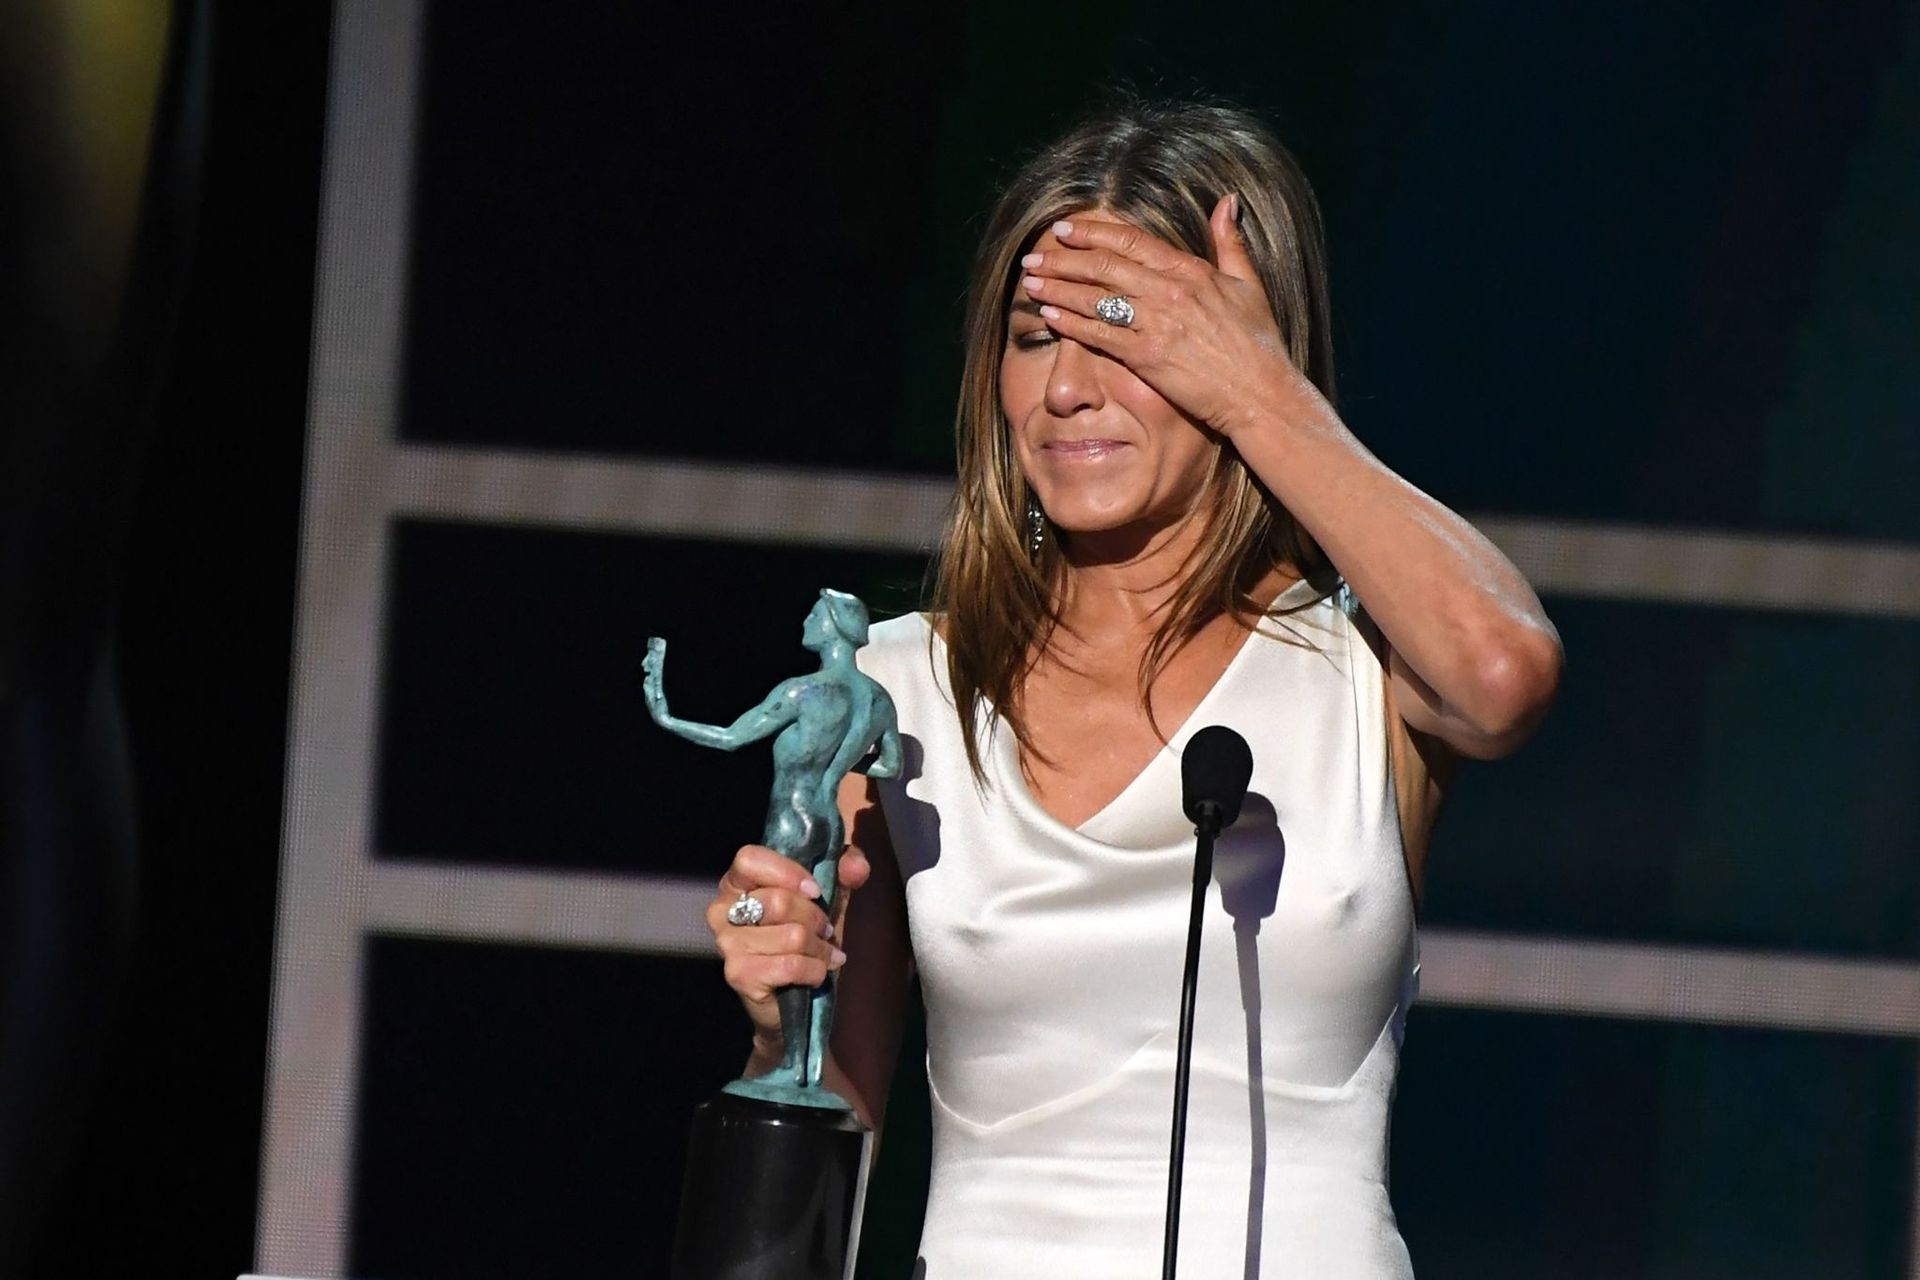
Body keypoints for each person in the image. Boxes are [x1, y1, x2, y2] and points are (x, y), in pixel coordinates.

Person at [703, 97, 1563, 1276]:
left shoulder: (1369, 668)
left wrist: (1261, 398)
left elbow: (1508, 674)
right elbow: (831, 1131)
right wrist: (777, 1020)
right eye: (1033, 334)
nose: (1066, 389)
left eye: (1123, 333)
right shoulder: (899, 690)